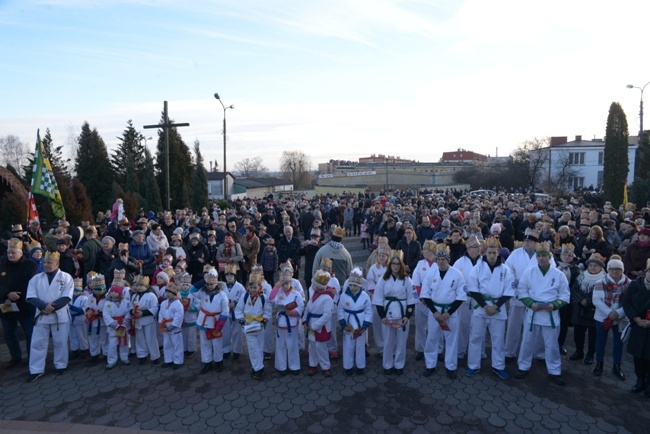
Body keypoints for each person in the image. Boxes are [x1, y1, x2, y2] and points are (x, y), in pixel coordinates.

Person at [514, 241, 570, 386]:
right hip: (533, 311)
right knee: (527, 341)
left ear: (549, 257)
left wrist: (555, 305)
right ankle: (523, 366)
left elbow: (565, 295)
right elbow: (522, 290)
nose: (542, 259)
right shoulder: (529, 272)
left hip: (550, 314)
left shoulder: (558, 275)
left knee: (551, 344)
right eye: (539, 256)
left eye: (544, 256)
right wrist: (530, 303)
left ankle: (554, 371)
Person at [465, 237, 514, 380]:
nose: (492, 255)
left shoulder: (505, 270)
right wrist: (486, 306)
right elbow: (473, 289)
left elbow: (508, 291)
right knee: (475, 337)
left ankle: (498, 366)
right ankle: (473, 365)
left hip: (498, 308)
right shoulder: (477, 268)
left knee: (498, 339)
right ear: (484, 252)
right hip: (481, 307)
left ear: (498, 253)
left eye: (494, 252)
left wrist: (496, 306)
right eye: (489, 252)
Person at [25, 251, 74, 382]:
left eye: (49, 262)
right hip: (41, 315)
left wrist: (52, 307)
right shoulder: (36, 278)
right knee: (38, 343)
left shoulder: (66, 277)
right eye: (45, 262)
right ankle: (36, 369)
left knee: (61, 342)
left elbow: (67, 296)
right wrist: (43, 306)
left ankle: (61, 365)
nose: (46, 265)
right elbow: (30, 296)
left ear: (57, 263)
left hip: (59, 315)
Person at [420, 245, 467, 379]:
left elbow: (460, 296)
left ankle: (450, 366)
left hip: (450, 312)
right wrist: (434, 312)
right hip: (434, 311)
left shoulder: (457, 274)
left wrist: (449, 313)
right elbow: (426, 294)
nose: (441, 261)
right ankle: (430, 365)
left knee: (451, 339)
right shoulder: (431, 273)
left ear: (448, 260)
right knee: (432, 338)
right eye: (439, 259)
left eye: (443, 259)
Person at [373, 251, 417, 376]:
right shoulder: (383, 279)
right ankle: (387, 364)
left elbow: (412, 299)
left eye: (398, 264)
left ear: (401, 265)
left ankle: (399, 364)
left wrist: (407, 316)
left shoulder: (407, 280)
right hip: (387, 315)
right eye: (393, 264)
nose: (396, 266)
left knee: (401, 342)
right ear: (390, 265)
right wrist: (382, 316)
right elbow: (378, 298)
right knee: (387, 341)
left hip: (402, 314)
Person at [0, 238, 38, 369]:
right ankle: (15, 357)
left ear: (21, 253)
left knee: (29, 333)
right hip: (6, 305)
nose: (10, 255)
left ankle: (32, 357)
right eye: (9, 252)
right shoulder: (1, 264)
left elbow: (29, 284)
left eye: (13, 252)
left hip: (24, 305)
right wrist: (6, 294)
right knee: (9, 333)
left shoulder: (30, 265)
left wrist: (12, 296)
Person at [592, 255, 630, 379]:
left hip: (620, 317)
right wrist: (610, 313)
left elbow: (630, 302)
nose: (615, 271)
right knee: (600, 341)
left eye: (618, 269)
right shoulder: (600, 282)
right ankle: (599, 364)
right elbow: (596, 300)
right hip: (603, 317)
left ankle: (617, 366)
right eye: (612, 269)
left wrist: (618, 313)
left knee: (618, 343)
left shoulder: (629, 284)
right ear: (608, 270)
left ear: (622, 270)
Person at [569, 253, 606, 365]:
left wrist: (588, 301)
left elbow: (603, 295)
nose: (592, 268)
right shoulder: (581, 276)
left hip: (594, 311)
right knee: (578, 333)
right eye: (590, 265)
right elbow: (574, 290)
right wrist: (581, 300)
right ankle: (579, 351)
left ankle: (590, 354)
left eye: (595, 265)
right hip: (579, 309)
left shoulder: (604, 280)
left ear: (601, 267)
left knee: (593, 335)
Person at [621, 258, 650, 396]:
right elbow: (626, 302)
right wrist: (636, 318)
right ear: (646, 272)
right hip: (638, 326)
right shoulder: (635, 284)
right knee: (638, 357)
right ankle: (640, 380)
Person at [193, 269, 229, 374]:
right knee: (205, 342)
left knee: (217, 342)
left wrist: (219, 325)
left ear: (216, 283)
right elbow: (192, 290)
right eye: (208, 284)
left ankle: (218, 361)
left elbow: (225, 311)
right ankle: (207, 362)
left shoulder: (222, 295)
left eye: (212, 284)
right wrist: (204, 281)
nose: (209, 286)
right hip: (204, 320)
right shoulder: (202, 292)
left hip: (216, 321)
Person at [338, 267, 372, 375]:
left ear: (360, 286)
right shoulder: (343, 296)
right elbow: (340, 310)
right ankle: (348, 366)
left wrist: (366, 324)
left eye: (355, 285)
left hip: (360, 324)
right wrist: (343, 323)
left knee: (360, 346)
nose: (352, 287)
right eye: (351, 285)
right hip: (348, 324)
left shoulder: (365, 296)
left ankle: (360, 366)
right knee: (348, 345)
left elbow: (369, 311)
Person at [269, 270, 304, 375]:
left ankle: (294, 366)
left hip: (292, 323)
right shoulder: (278, 292)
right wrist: (276, 286)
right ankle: (281, 367)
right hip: (281, 323)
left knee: (292, 345)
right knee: (281, 346)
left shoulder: (296, 294)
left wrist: (293, 312)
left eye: (287, 284)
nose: (285, 286)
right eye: (283, 284)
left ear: (291, 283)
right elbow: (270, 299)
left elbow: (301, 307)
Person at [411, 240, 438, 362]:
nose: (423, 251)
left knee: (435, 326)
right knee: (420, 325)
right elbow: (415, 281)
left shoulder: (439, 263)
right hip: (422, 300)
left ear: (431, 251)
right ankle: (420, 348)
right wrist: (422, 297)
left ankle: (437, 349)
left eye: (425, 249)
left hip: (436, 300)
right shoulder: (420, 264)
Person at [305, 270, 336, 376]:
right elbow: (308, 308)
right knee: (312, 346)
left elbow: (327, 315)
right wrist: (305, 320)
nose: (312, 286)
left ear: (318, 286)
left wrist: (315, 325)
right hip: (311, 324)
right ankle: (313, 364)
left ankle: (326, 366)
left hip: (320, 326)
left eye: (313, 284)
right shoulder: (314, 295)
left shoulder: (327, 298)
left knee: (321, 347)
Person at [555, 244, 580, 355]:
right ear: (560, 255)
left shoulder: (575, 269)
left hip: (566, 300)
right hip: (552, 297)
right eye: (565, 254)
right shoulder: (554, 265)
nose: (567, 256)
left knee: (563, 323)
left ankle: (560, 343)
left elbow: (575, 286)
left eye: (570, 255)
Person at [366, 240, 390, 355]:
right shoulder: (373, 269)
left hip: (389, 300)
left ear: (387, 256)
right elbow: (370, 284)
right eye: (379, 255)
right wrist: (380, 294)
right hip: (377, 300)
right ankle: (380, 347)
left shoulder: (390, 268)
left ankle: (389, 345)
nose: (381, 257)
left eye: (383, 255)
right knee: (377, 323)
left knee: (388, 323)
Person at [130, 275, 161, 365]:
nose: (138, 287)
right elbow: (130, 306)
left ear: (147, 286)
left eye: (141, 286)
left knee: (150, 338)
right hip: (138, 321)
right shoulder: (134, 296)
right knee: (140, 339)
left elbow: (154, 308)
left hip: (148, 320)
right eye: (137, 285)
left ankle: (155, 356)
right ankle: (142, 355)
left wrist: (143, 313)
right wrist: (132, 311)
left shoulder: (151, 295)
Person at [102, 285, 132, 370]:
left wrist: (125, 322)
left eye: (116, 292)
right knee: (112, 344)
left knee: (124, 342)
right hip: (114, 325)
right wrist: (115, 325)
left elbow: (128, 312)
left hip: (123, 324)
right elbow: (106, 316)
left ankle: (124, 357)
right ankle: (111, 361)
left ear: (120, 293)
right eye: (112, 292)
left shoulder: (125, 302)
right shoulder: (107, 304)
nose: (113, 293)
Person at [84, 273, 109, 365]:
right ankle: (94, 355)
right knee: (93, 339)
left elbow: (109, 309)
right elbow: (86, 308)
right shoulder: (90, 298)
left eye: (100, 290)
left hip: (104, 322)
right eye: (96, 290)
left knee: (105, 339)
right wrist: (90, 312)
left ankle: (107, 354)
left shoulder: (107, 298)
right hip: (93, 322)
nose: (98, 292)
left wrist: (100, 313)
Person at [159, 281, 184, 369]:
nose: (167, 294)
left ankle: (178, 361)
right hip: (165, 326)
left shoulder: (178, 304)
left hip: (174, 328)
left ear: (174, 294)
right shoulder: (163, 303)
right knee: (167, 344)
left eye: (170, 292)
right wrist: (162, 324)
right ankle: (168, 360)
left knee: (177, 345)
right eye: (167, 292)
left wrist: (171, 327)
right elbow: (161, 314)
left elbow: (178, 317)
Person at [222, 264, 245, 360]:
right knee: (225, 331)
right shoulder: (222, 286)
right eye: (227, 275)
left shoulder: (240, 287)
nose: (229, 277)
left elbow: (244, 299)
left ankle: (237, 350)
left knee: (237, 332)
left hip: (236, 312)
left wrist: (235, 304)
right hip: (225, 312)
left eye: (231, 275)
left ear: (235, 276)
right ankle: (226, 350)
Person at [68, 278, 89, 360]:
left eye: (76, 291)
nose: (74, 293)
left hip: (80, 319)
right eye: (73, 291)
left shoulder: (84, 298)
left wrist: (73, 308)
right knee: (73, 336)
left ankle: (84, 350)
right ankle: (74, 350)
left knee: (82, 335)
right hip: (71, 319)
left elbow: (85, 310)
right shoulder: (69, 298)